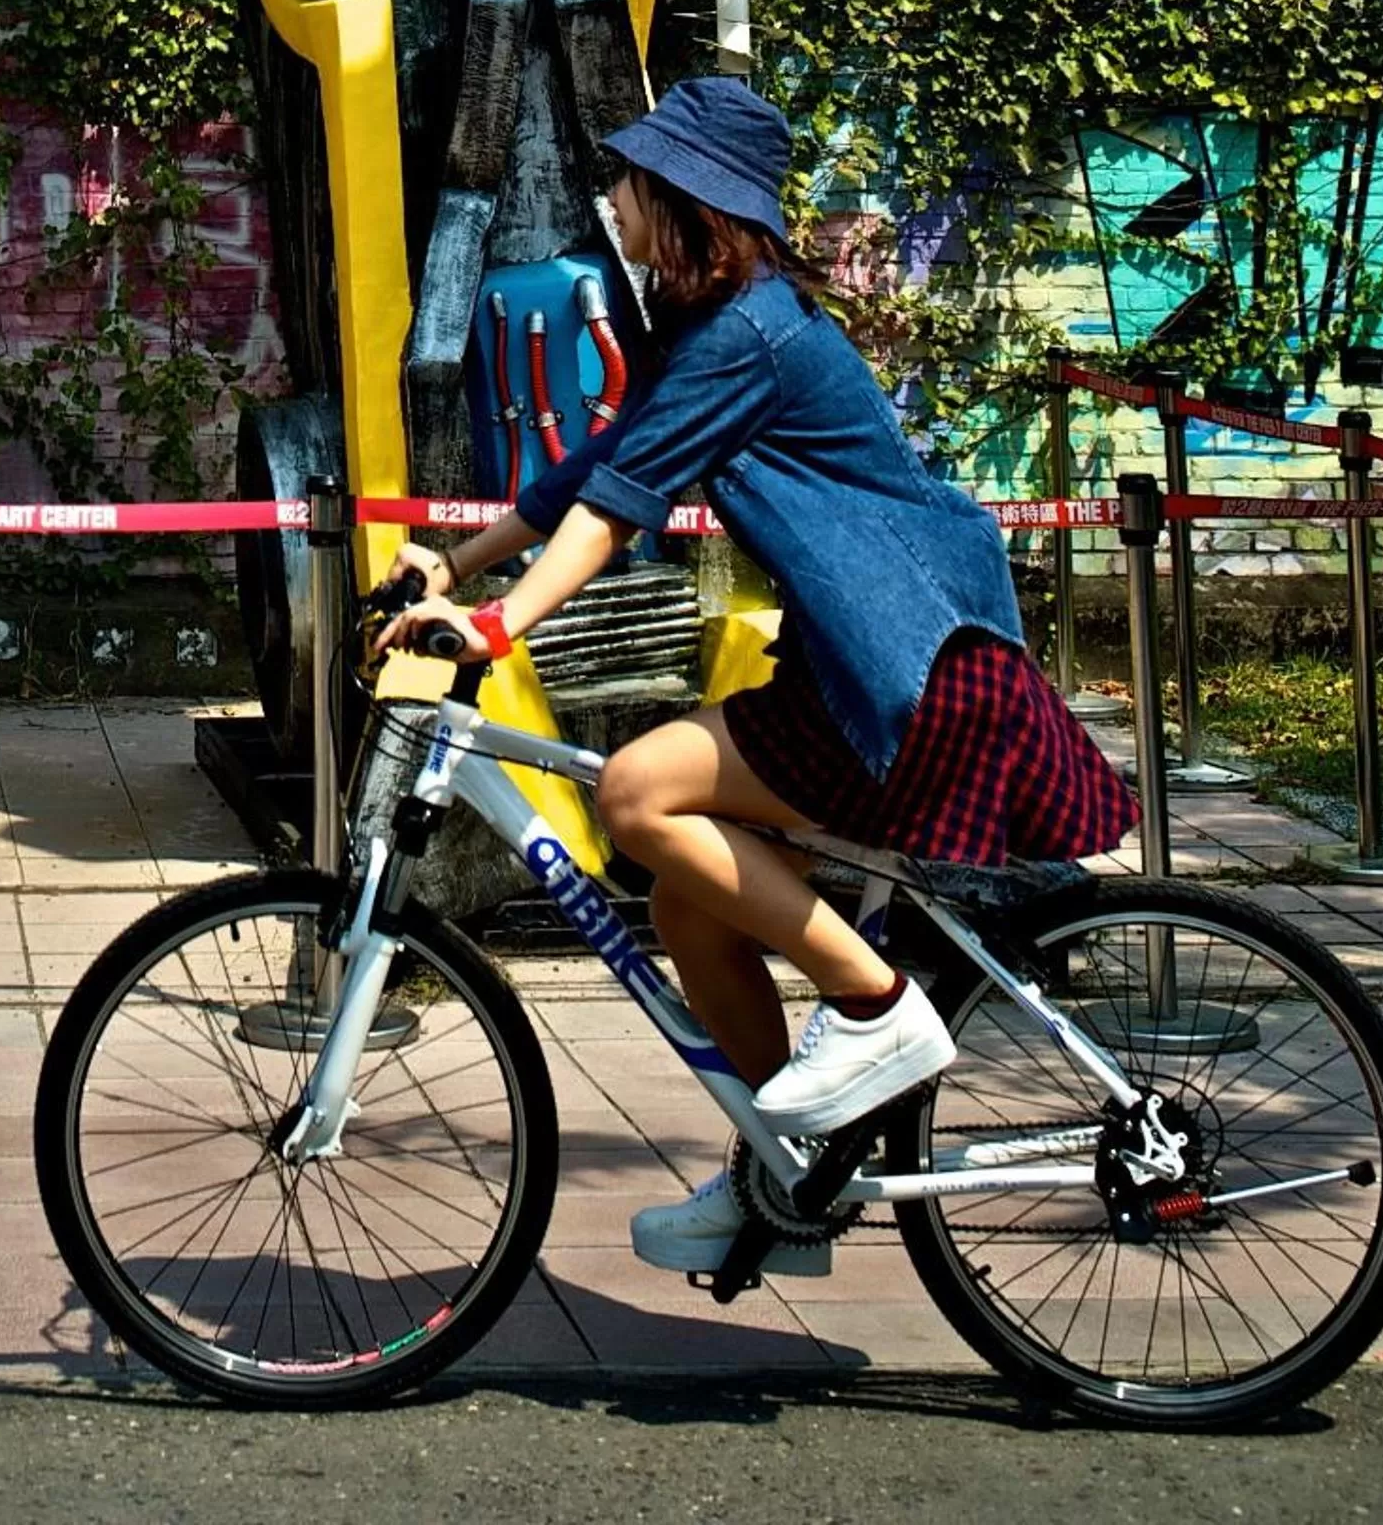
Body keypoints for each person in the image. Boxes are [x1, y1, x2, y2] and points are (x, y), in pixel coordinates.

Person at [371, 76, 1137, 1279]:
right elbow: (608, 462)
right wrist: (453, 564)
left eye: (628, 186)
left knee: (632, 794)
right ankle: (781, 1177)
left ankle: (873, 1006)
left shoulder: (753, 338)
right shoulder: (730, 330)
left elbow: (615, 514)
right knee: (686, 899)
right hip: (859, 667)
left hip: (917, 677)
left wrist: (495, 625)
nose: (612, 207)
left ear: (682, 203)